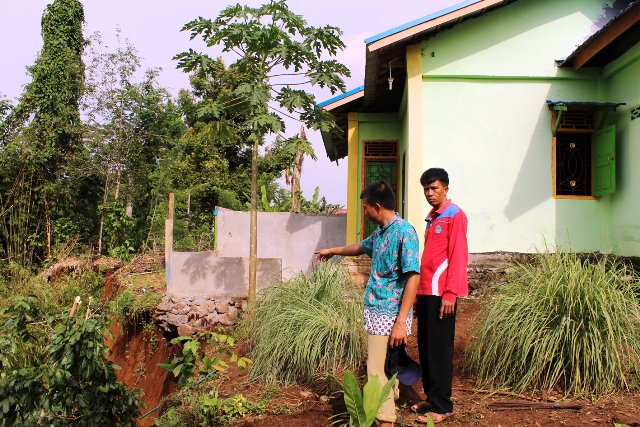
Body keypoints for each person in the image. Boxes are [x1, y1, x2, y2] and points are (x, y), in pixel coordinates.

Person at [315, 181, 420, 427]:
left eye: (365, 208)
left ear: (378, 206)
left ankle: (385, 420)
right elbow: (360, 247)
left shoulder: (405, 232)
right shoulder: (382, 232)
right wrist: (333, 250)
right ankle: (389, 404)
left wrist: (401, 322)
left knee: (374, 368)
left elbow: (413, 277)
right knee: (386, 364)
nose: (365, 212)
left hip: (390, 312)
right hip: (376, 310)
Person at [412, 168, 468, 424]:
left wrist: (450, 293)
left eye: (434, 188)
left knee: (440, 350)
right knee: (425, 347)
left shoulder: (454, 216)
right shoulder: (432, 218)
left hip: (442, 294)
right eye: (426, 189)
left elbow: (458, 256)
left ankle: (443, 406)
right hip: (425, 292)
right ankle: (432, 397)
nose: (429, 193)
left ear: (445, 188)